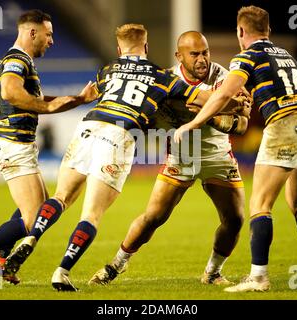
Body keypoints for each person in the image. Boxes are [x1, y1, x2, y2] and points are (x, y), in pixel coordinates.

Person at [2, 23, 213, 291]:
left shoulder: (107, 70)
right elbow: (207, 99)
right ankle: (62, 271)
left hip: (88, 126)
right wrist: (234, 99)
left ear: (118, 49)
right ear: (146, 47)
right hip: (120, 134)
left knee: (60, 197)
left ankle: (31, 238)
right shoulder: (163, 76)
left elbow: (99, 94)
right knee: (91, 215)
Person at [174, 5, 297, 292]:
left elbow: (223, 93)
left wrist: (193, 123)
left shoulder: (246, 56)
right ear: (268, 30)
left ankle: (258, 277)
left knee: (260, 206)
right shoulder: (287, 55)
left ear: (240, 31)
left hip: (285, 125)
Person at [88, 31, 251, 287]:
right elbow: (147, 118)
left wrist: (209, 115)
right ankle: (114, 266)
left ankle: (212, 272)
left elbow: (242, 125)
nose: (202, 60)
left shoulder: (225, 77)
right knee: (153, 217)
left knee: (236, 220)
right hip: (180, 156)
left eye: (205, 53)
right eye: (194, 54)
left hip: (217, 155)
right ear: (179, 56)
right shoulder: (166, 81)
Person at [0, 9, 96, 288]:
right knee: (34, 217)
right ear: (32, 32)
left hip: (20, 145)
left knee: (40, 211)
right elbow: (11, 92)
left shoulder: (23, 62)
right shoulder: (16, 60)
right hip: (12, 146)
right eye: (49, 34)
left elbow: (36, 99)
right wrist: (46, 106)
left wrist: (78, 100)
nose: (52, 41)